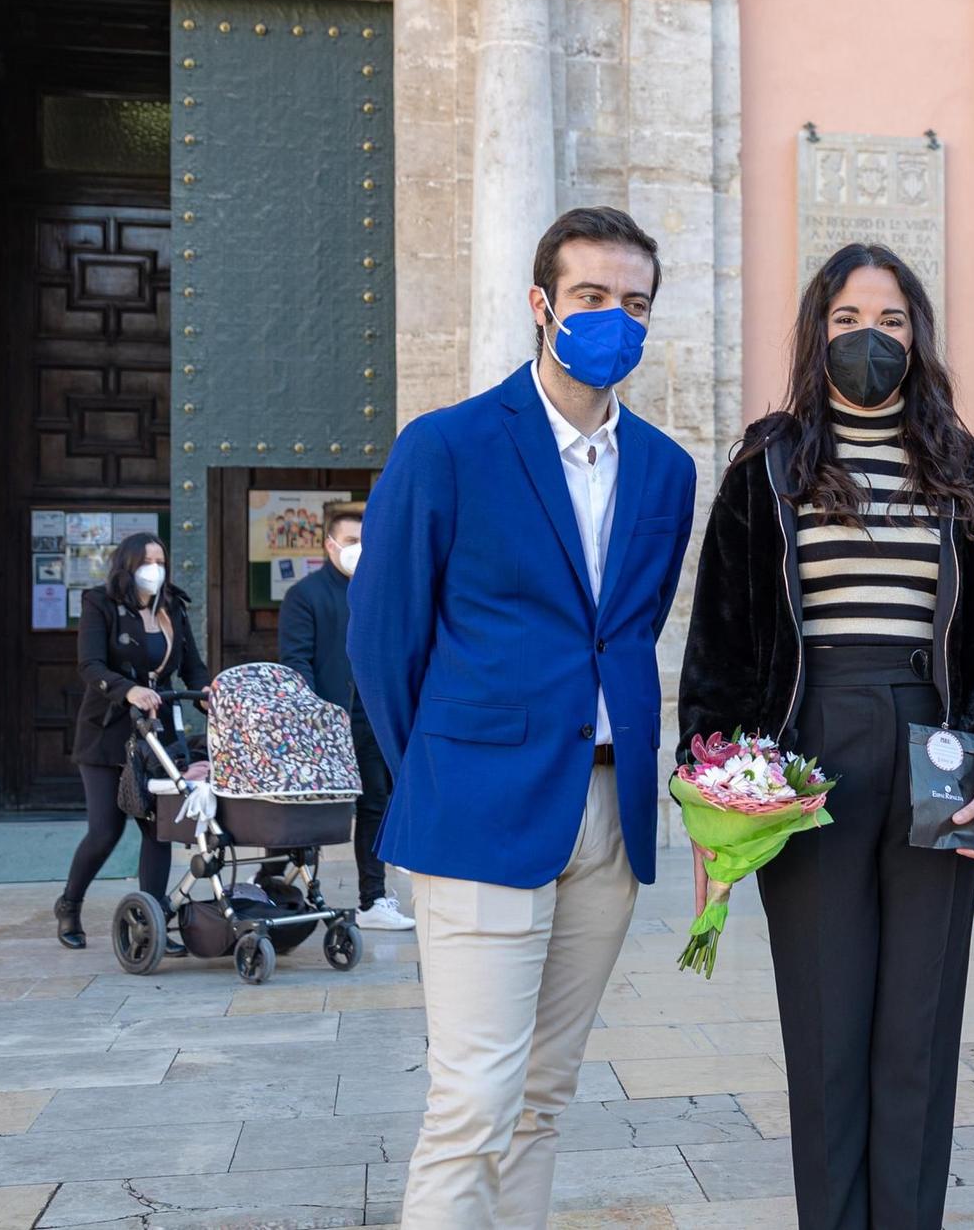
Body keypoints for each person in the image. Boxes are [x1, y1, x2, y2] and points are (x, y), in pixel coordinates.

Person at [679, 242, 974, 1230]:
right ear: (816, 332)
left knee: (916, 1032)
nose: (870, 339)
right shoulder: (769, 467)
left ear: (916, 336)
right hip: (806, 753)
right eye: (848, 320)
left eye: (889, 321)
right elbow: (721, 638)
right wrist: (719, 800)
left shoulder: (962, 472)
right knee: (827, 1027)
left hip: (938, 758)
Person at [350, 206, 696, 1230]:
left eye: (634, 303)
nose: (613, 320)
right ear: (541, 304)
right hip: (479, 807)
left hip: (607, 810)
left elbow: (628, 629)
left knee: (545, 1095)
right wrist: (448, 770)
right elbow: (384, 642)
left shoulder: (667, 470)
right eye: (591, 297)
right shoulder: (447, 446)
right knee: (472, 1100)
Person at [55, 533, 211, 952]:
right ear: (126, 564)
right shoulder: (99, 602)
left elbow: (192, 667)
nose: (155, 567)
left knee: (157, 830)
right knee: (105, 831)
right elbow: (90, 664)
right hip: (108, 733)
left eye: (160, 559)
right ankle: (69, 904)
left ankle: (152, 921)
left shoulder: (172, 607)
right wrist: (128, 690)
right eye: (146, 560)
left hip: (159, 737)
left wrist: (212, 692)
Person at [277, 499, 411, 932]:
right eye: (353, 541)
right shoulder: (305, 596)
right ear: (331, 545)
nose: (361, 549)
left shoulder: (381, 592)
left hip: (373, 719)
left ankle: (372, 899)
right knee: (312, 813)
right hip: (325, 726)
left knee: (375, 804)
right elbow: (297, 662)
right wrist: (316, 717)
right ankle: (277, 884)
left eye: (366, 541)